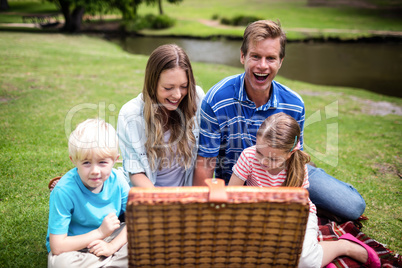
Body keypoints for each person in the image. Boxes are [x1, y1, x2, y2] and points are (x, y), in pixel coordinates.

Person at [193, 19, 366, 221]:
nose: (262, 66)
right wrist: (202, 210)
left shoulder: (294, 104)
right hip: (240, 180)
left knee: (353, 207)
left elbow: (294, 157)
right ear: (242, 56)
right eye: (255, 56)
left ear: (281, 61)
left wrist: (289, 198)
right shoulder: (216, 100)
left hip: (284, 173)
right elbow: (205, 162)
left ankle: (315, 192)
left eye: (271, 58)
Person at [228, 113, 380, 268]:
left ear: (290, 153)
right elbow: (230, 195)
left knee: (304, 261)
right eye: (259, 153)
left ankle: (343, 246)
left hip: (294, 215)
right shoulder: (248, 157)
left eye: (273, 159)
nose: (263, 162)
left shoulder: (297, 166)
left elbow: (297, 208)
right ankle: (318, 254)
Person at [118, 44, 205, 188]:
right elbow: (135, 172)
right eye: (168, 88)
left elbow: (204, 155)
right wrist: (160, 202)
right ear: (152, 84)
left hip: (184, 195)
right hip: (149, 197)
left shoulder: (197, 98)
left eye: (184, 86)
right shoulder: (129, 114)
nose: (177, 95)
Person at [46, 119, 130, 268]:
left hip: (111, 240)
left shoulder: (118, 182)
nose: (95, 171)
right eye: (86, 163)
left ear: (114, 160)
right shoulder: (64, 191)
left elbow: (137, 220)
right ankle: (112, 263)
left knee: (149, 238)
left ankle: (106, 260)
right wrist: (100, 232)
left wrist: (111, 246)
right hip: (75, 246)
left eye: (102, 162)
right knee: (61, 263)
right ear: (74, 160)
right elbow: (57, 246)